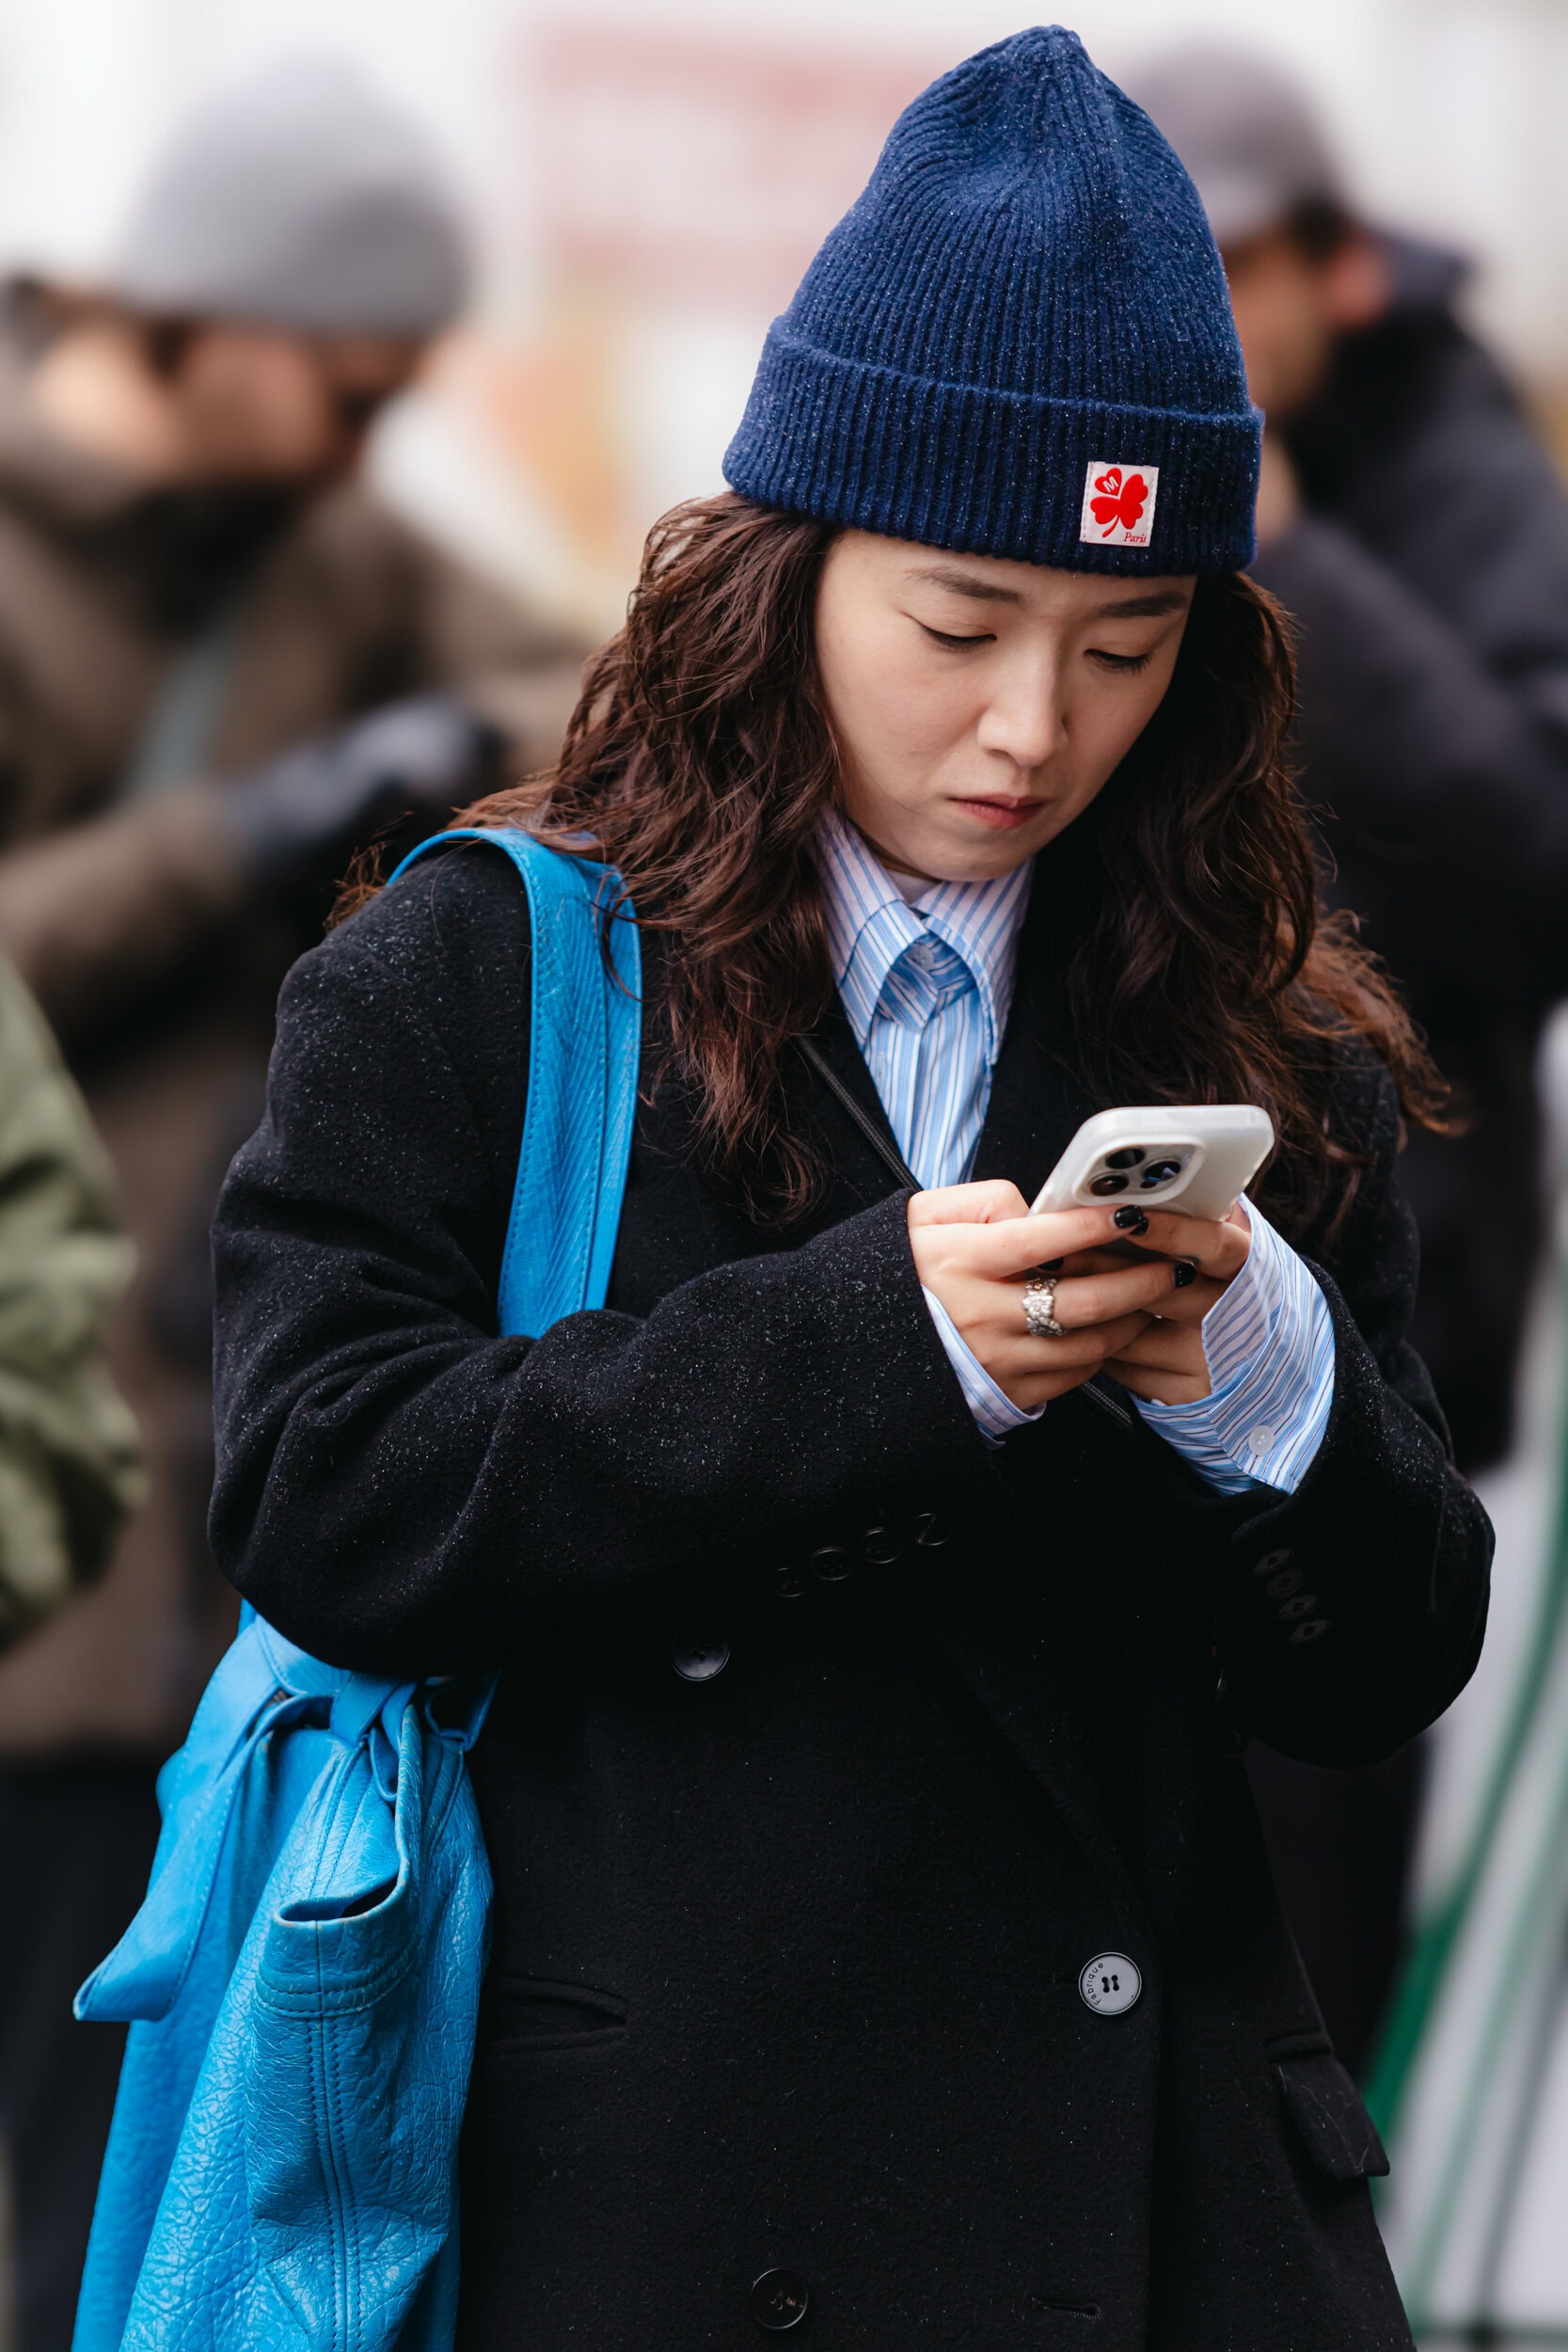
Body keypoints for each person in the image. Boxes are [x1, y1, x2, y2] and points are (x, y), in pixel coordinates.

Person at [210, 31, 1490, 2346]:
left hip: (1161, 2209)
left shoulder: (1264, 1032)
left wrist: (1271, 1389)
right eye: (958, 626)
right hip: (671, 2192)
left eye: (1128, 648)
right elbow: (325, 1493)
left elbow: (1384, 1668)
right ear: (786, 569)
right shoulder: (492, 962)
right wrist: (866, 1351)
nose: (1033, 728)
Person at [0, 56, 583, 2352]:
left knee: (129, 2195)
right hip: (38, 1468)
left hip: (224, 1523)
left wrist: (423, 770)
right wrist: (246, 840)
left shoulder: (333, 549)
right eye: (350, 388)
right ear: (203, 317)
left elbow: (594, 661)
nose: (373, 437)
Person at [1131, 42, 1568, 2081]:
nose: (1195, 328)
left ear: (1338, 272)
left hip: (1365, 1337)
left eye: (1232, 271)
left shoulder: (1459, 480)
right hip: (1080, 1340)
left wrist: (1289, 548)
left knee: (1284, 2017)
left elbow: (1537, 872)